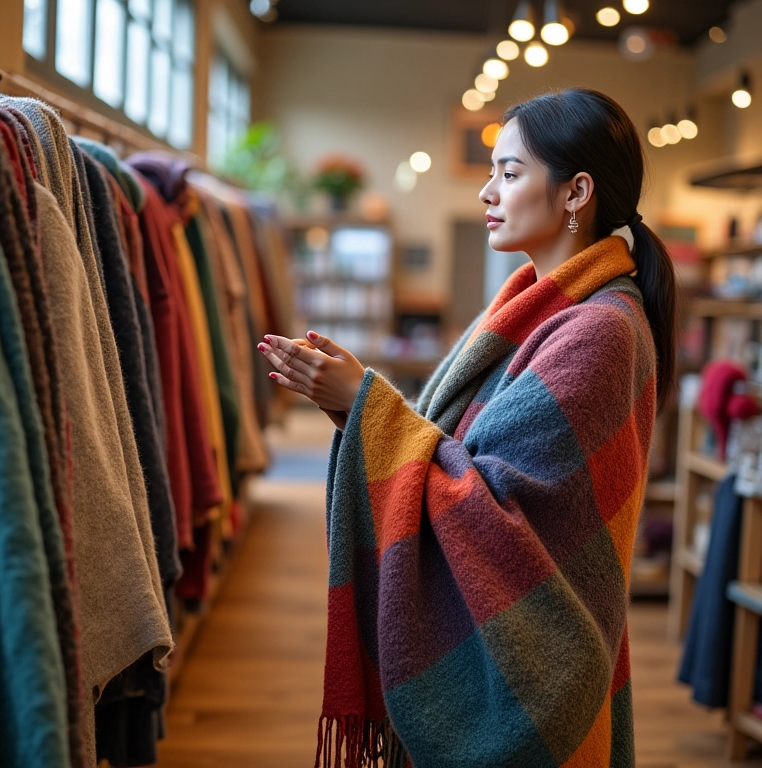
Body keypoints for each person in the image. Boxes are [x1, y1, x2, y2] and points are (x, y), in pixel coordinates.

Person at [257, 88, 676, 768]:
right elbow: (463, 454)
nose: (487, 191)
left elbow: (501, 510)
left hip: (539, 669)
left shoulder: (601, 329)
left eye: (509, 173)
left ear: (576, 192)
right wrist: (355, 409)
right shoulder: (532, 307)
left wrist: (369, 404)